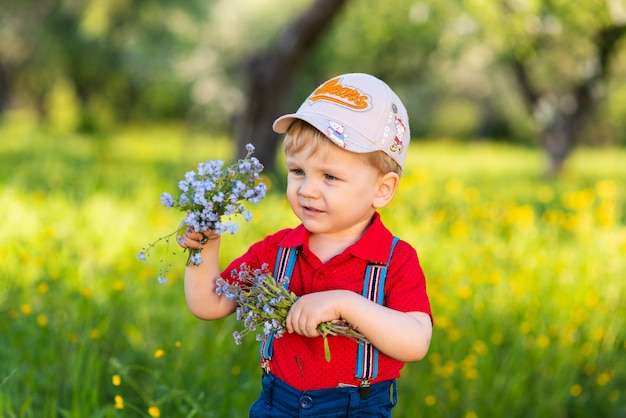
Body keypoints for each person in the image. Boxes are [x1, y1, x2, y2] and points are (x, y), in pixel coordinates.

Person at [178, 73, 433, 417]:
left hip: (353, 408)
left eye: (329, 176)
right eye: (298, 171)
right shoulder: (277, 251)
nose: (306, 189)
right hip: (277, 404)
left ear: (382, 189)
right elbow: (209, 304)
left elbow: (415, 341)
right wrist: (204, 249)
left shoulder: (393, 260)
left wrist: (345, 303)